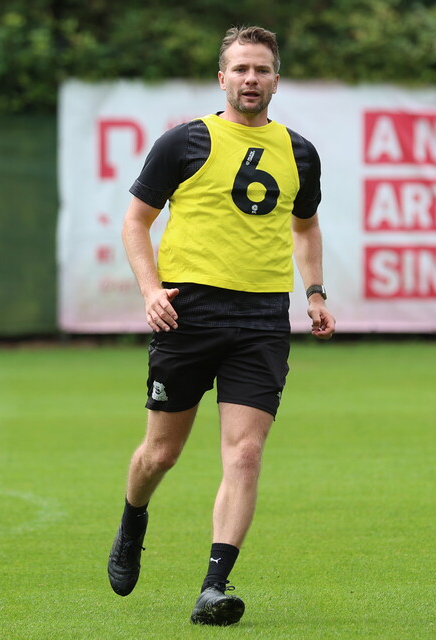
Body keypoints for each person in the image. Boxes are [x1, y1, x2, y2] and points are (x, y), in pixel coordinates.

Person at [107, 25, 335, 627]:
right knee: (161, 453)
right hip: (189, 313)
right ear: (222, 78)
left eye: (261, 70)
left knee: (246, 452)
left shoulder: (300, 151)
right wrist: (151, 290)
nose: (251, 80)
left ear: (277, 79)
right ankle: (133, 520)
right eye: (240, 69)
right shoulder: (184, 142)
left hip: (262, 316)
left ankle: (214, 586)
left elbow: (305, 226)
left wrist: (313, 291)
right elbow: (135, 222)